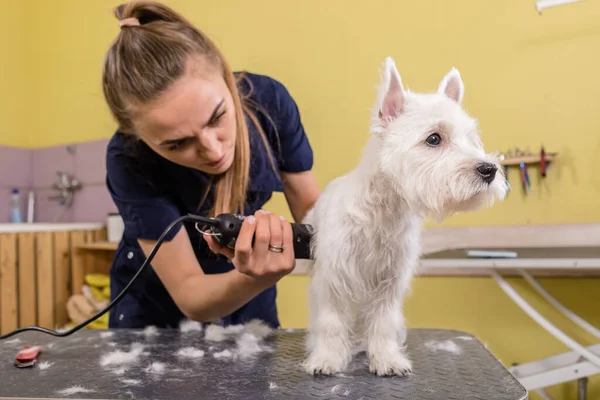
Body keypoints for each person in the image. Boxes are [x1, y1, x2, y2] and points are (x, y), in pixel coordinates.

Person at [102, 1, 320, 330]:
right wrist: (258, 277)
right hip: (156, 317)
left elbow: (314, 217)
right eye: (177, 144)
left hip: (249, 303)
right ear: (141, 139)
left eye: (217, 116)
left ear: (223, 73)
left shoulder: (269, 103)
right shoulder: (128, 158)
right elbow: (191, 296)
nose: (212, 150)